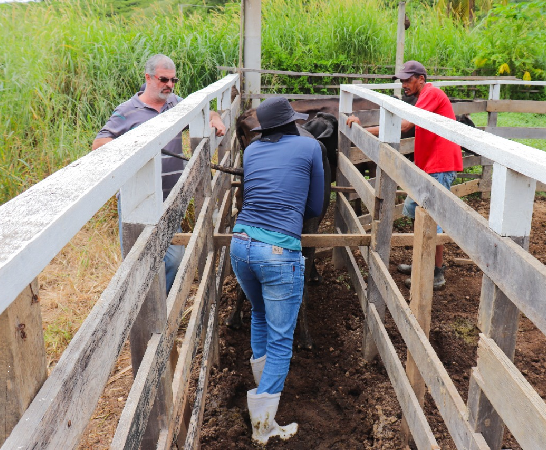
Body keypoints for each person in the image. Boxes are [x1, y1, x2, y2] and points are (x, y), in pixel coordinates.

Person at [230, 97, 324, 445]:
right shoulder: (310, 146)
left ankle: (262, 390)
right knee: (282, 339)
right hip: (278, 251)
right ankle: (264, 425)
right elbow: (315, 205)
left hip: (240, 245)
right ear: (292, 123)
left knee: (258, 313)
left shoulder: (251, 151)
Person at [92, 54, 226, 294]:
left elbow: (206, 113)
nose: (170, 85)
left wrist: (215, 120)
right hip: (139, 198)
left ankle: (160, 305)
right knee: (139, 261)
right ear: (148, 77)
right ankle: (142, 311)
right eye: (164, 79)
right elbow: (99, 144)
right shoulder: (127, 111)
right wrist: (137, 149)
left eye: (174, 80)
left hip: (171, 196)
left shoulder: (175, 103)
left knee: (173, 257)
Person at [346, 60, 463, 290]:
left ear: (421, 78)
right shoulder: (422, 98)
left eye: (408, 79)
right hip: (429, 165)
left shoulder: (431, 93)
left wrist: (364, 130)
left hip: (439, 164)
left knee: (432, 218)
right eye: (402, 80)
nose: (404, 84)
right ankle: (423, 259)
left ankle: (436, 272)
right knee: (414, 211)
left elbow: (405, 125)